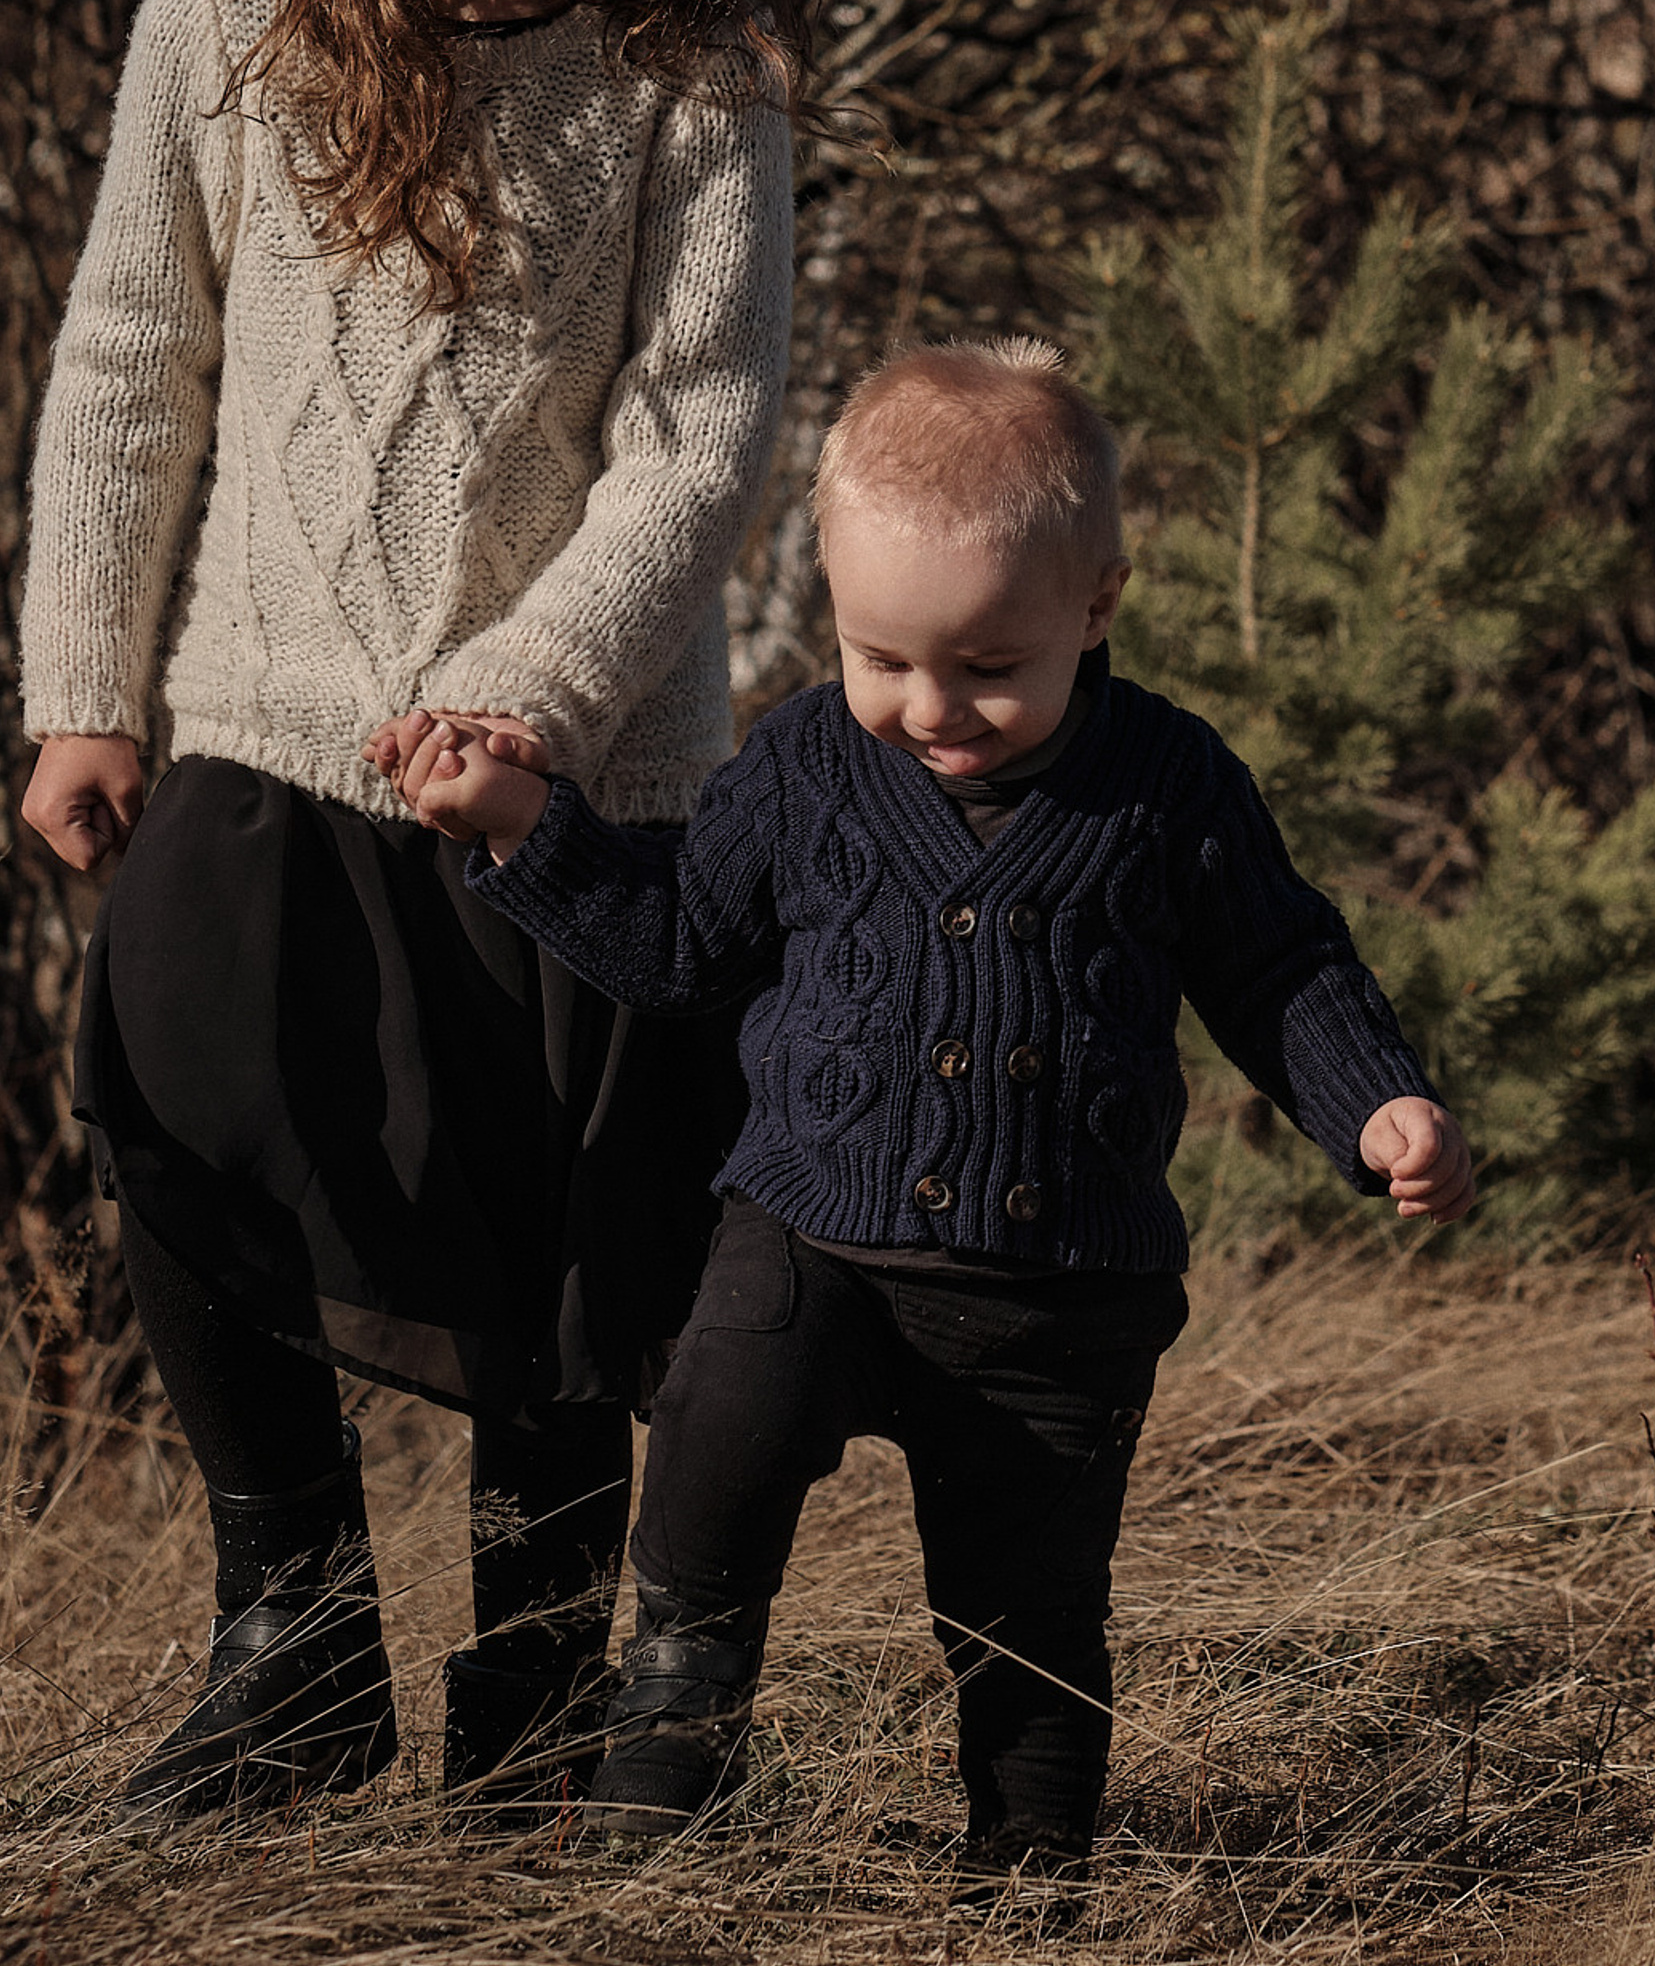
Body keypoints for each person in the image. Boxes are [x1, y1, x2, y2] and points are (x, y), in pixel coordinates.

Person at [16, 0, 825, 1824]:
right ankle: (287, 1632)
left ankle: (546, 1708)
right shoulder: (237, 4)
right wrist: (85, 681)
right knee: (165, 1098)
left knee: (557, 1245)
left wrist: (527, 697)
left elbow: (695, 446)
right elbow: (126, 360)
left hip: (571, 767)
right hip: (263, 717)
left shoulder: (700, 81)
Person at [381, 337, 1476, 1889]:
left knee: (1027, 1607)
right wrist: (523, 825)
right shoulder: (807, 763)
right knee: (714, 1453)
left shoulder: (1167, 785)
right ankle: (656, 1772)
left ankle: (1026, 1874)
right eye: (883, 659)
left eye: (986, 668)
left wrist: (1381, 1104)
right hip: (809, 1231)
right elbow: (682, 939)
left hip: (1057, 1294)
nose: (932, 707)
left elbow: (1281, 966)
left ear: (1096, 607)